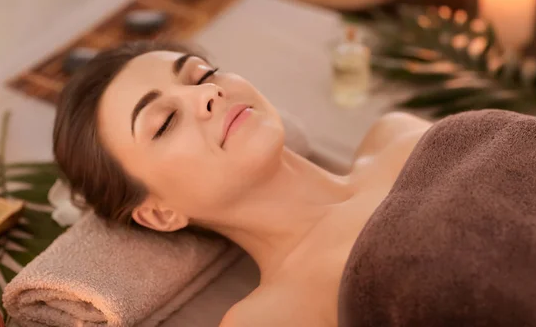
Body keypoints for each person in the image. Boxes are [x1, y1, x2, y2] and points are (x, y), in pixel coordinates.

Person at [53, 40, 431, 326]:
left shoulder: (397, 136)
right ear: (160, 214)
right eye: (165, 122)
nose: (206, 93)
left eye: (202, 74)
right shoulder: (270, 317)